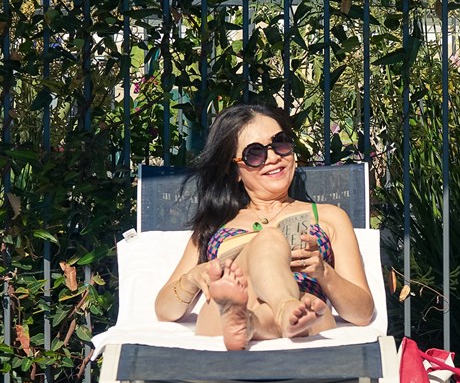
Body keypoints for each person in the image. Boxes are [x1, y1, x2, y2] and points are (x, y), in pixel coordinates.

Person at [155, 103, 374, 350]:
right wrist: (192, 278)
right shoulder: (215, 224)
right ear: (234, 170)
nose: (273, 158)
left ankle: (252, 323)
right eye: (254, 154)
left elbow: (362, 312)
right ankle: (275, 311)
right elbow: (164, 310)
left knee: (271, 243)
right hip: (224, 319)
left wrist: (324, 273)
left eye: (280, 143)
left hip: (307, 316)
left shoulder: (329, 217)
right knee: (269, 238)